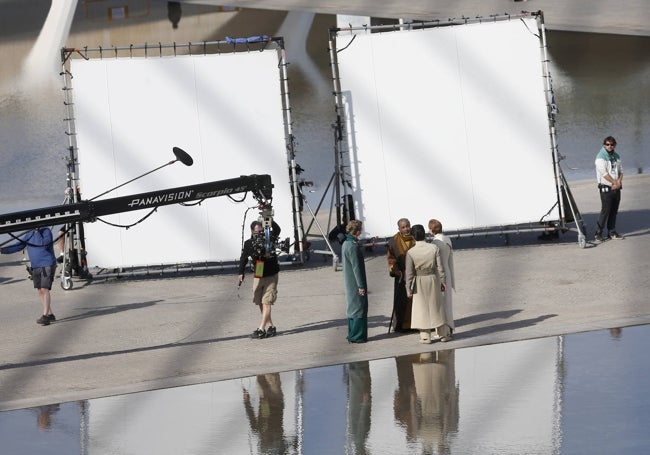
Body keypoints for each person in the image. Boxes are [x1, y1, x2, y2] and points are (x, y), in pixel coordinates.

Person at [1, 227, 57, 325]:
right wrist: (2, 250)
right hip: (35, 265)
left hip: (46, 263)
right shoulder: (29, 234)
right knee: (40, 290)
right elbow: (18, 246)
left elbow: (45, 245)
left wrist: (37, 232)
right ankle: (50, 314)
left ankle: (45, 316)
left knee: (44, 288)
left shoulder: (46, 231)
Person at [405, 224, 449, 344]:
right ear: (424, 234)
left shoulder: (411, 252)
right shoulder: (433, 248)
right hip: (433, 279)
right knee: (437, 306)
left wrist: (408, 289)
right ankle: (443, 334)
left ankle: (425, 336)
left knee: (421, 308)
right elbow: (440, 267)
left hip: (419, 280)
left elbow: (409, 273)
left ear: (413, 237)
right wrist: (443, 281)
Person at [238, 219, 281, 339]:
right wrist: (241, 272)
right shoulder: (248, 243)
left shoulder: (269, 237)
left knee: (267, 301)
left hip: (271, 272)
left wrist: (270, 221)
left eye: (262, 231)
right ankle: (271, 326)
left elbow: (277, 230)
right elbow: (243, 258)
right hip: (259, 270)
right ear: (252, 232)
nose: (260, 234)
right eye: (257, 232)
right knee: (260, 301)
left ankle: (261, 329)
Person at [386, 218, 416, 333]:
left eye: (408, 226)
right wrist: (396, 270)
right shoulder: (393, 241)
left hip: (415, 275)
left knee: (415, 301)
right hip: (402, 276)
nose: (406, 229)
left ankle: (416, 323)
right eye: (403, 227)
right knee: (402, 301)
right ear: (399, 228)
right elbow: (391, 258)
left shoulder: (416, 237)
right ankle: (402, 326)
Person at [341, 220, 369, 343]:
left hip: (349, 281)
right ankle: (358, 336)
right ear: (358, 231)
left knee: (352, 308)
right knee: (359, 308)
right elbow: (356, 268)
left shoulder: (346, 243)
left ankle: (352, 333)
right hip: (355, 282)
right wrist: (361, 286)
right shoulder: (352, 246)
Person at [428, 219, 455, 339]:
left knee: (440, 304)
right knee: (448, 303)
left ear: (431, 230)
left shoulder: (435, 243)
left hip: (439, 275)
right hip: (448, 273)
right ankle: (449, 329)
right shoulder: (447, 239)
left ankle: (442, 332)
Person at [595, 135, 624, 242]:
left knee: (614, 210)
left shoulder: (616, 156)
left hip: (616, 186)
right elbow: (604, 173)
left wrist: (619, 182)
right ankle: (598, 233)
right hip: (606, 187)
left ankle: (612, 232)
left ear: (614, 145)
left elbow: (621, 171)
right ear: (604, 145)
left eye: (612, 145)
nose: (610, 146)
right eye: (607, 144)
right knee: (605, 210)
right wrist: (613, 182)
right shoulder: (600, 157)